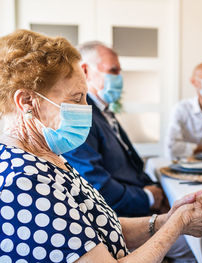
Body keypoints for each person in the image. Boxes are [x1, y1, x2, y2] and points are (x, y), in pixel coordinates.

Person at [0, 29, 202, 263]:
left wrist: (167, 218)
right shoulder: (24, 181)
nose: (87, 108)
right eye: (76, 99)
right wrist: (178, 224)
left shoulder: (47, 157)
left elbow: (102, 230)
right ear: (26, 102)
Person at [63, 41, 164, 217]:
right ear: (85, 71)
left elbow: (132, 166)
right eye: (113, 71)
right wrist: (147, 198)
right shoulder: (79, 117)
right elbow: (95, 185)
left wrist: (156, 191)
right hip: (120, 219)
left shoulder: (103, 112)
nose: (119, 78)